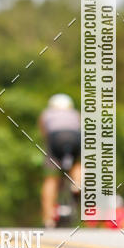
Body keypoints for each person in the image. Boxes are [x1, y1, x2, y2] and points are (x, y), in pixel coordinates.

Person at [38, 94, 82, 228]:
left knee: (51, 179)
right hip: (74, 138)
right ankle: (77, 183)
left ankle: (48, 218)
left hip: (55, 139)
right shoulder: (75, 114)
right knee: (77, 164)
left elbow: (44, 134)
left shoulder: (46, 114)